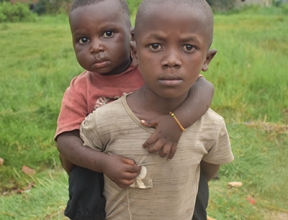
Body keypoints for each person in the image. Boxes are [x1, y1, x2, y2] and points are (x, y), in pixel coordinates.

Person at [55, 0, 215, 219]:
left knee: (192, 178)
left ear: (133, 38)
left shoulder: (150, 68)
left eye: (108, 33)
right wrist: (103, 163)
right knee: (82, 175)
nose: (96, 47)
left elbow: (204, 88)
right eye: (83, 39)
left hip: (158, 153)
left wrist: (177, 122)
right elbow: (65, 141)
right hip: (106, 168)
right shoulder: (81, 88)